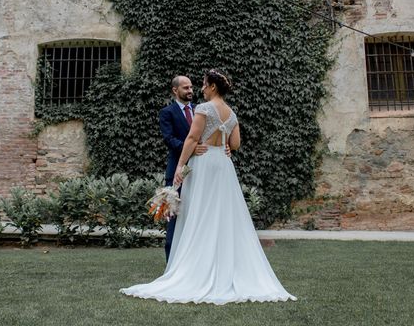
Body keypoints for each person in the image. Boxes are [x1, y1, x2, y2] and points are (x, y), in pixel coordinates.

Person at [121, 70, 296, 304]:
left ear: (212, 87)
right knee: (222, 217)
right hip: (223, 167)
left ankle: (194, 270)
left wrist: (180, 167)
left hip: (203, 165)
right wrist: (224, 148)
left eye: (203, 85)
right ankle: (221, 268)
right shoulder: (232, 113)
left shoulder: (203, 108)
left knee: (199, 215)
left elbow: (192, 139)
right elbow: (234, 144)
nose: (200, 89)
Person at [158, 75, 208, 261]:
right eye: (185, 88)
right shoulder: (167, 112)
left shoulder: (200, 110)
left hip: (201, 171)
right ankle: (171, 265)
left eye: (191, 87)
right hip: (177, 172)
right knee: (174, 217)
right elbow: (169, 139)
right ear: (175, 90)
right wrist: (192, 149)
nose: (190, 91)